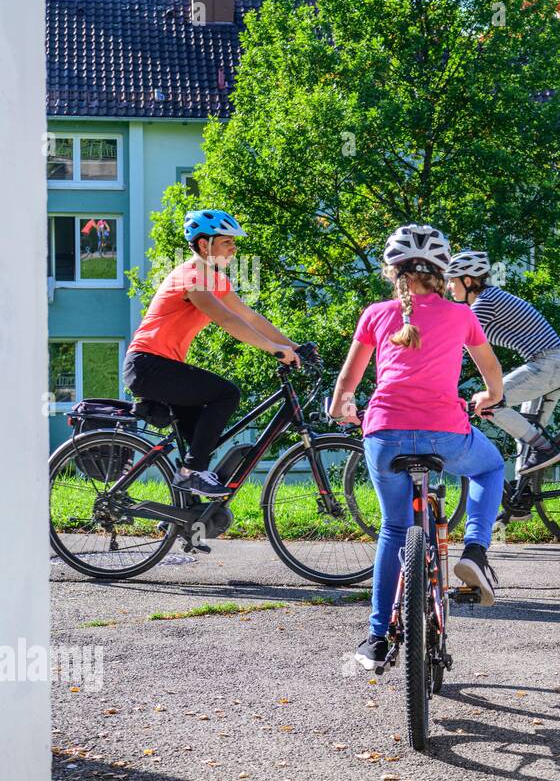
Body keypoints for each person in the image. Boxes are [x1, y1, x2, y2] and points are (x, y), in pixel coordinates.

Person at [328, 225, 507, 672]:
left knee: (394, 529)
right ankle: (475, 551)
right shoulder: (462, 316)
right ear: (443, 275)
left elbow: (346, 386)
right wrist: (487, 399)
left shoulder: (375, 313)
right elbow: (493, 376)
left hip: (384, 435)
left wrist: (342, 410)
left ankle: (375, 638)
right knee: (489, 468)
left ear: (393, 272)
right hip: (445, 434)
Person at [124, 209, 299, 498]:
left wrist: (293, 347)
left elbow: (249, 316)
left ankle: (185, 515)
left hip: (162, 367)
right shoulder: (191, 277)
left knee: (200, 442)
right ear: (204, 245)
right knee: (226, 394)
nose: (234, 249)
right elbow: (228, 320)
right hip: (148, 366)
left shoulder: (215, 280)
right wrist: (274, 350)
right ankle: (191, 473)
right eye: (227, 242)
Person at [443, 250, 560, 481]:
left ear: (467, 280)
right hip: (553, 364)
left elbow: (457, 344)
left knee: (489, 404)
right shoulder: (487, 300)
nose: (448, 287)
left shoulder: (485, 303)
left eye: (452, 281)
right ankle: (520, 504)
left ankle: (546, 450)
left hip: (549, 363)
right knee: (525, 434)